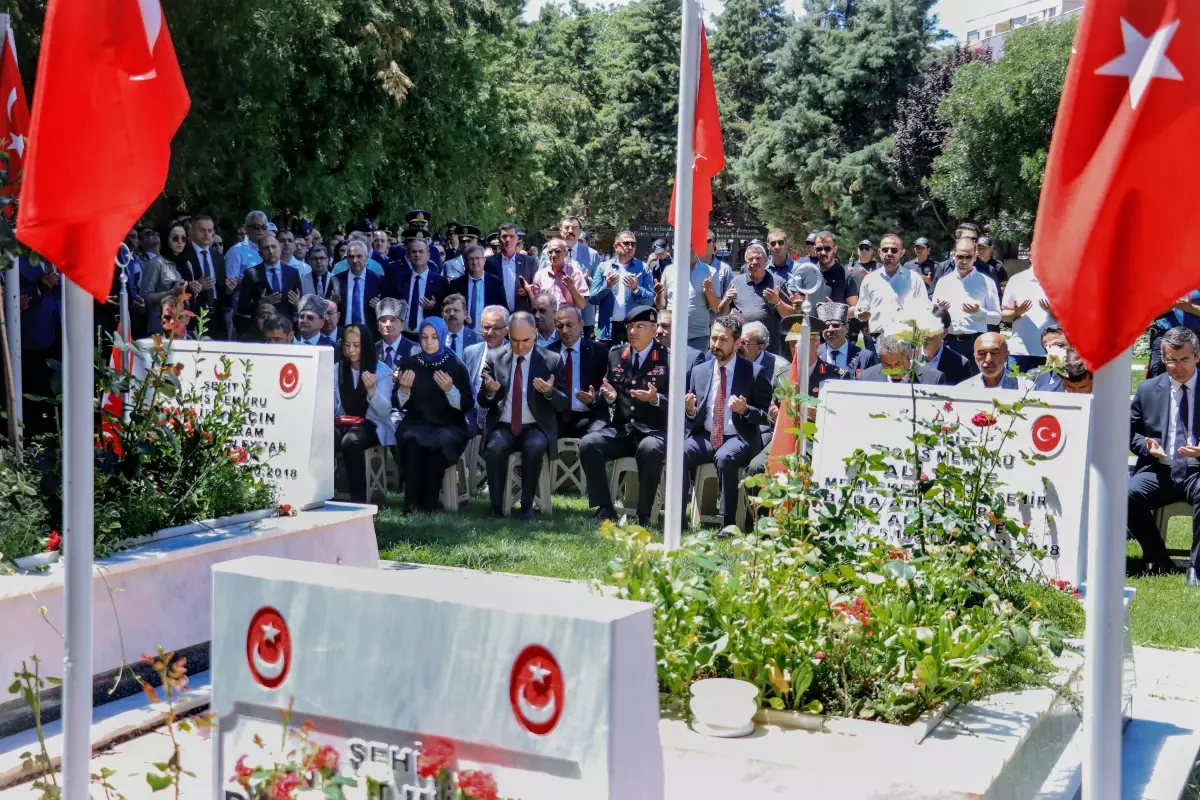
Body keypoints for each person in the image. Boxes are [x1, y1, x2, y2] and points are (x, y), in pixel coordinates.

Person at [579, 306, 671, 525]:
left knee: (649, 449)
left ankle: (644, 514)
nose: (633, 331)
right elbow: (607, 392)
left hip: (654, 431)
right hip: (623, 430)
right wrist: (606, 396)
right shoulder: (616, 354)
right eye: (630, 326)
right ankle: (605, 508)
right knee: (589, 443)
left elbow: (679, 403)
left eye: (640, 327)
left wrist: (656, 399)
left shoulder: (667, 358)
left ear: (653, 328)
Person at [682, 315, 773, 530]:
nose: (716, 345)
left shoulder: (753, 372)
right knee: (680, 452)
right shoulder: (700, 371)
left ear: (737, 342)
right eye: (713, 339)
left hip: (738, 436)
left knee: (725, 457)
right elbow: (694, 414)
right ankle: (678, 516)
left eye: (723, 340)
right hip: (706, 435)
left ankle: (728, 522)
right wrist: (690, 411)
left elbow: (766, 416)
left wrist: (745, 410)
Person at [477, 312, 567, 519]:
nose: (519, 346)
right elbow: (483, 400)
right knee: (496, 447)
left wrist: (548, 392)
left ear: (535, 333)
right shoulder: (495, 357)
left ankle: (527, 505)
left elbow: (563, 403)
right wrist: (490, 391)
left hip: (535, 427)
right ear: (508, 334)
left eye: (525, 340)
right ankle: (496, 507)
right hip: (503, 426)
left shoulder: (551, 360)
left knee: (534, 446)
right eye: (515, 340)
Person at [1128, 326, 1200, 583]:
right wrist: (1147, 447)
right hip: (1160, 469)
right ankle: (1158, 558)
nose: (1177, 367)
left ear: (1197, 357)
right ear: (1163, 357)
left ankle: (1196, 566)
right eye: (1171, 360)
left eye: (1184, 360)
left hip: (1197, 470)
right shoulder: (1147, 390)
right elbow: (1130, 432)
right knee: (1124, 496)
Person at [393, 317, 475, 512]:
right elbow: (397, 403)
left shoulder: (455, 364)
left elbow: (467, 404)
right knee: (410, 440)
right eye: (424, 337)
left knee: (440, 444)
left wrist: (450, 390)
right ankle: (412, 504)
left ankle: (430, 504)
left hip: (449, 425)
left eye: (434, 337)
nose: (429, 342)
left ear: (443, 337)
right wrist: (404, 389)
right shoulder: (410, 363)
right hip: (417, 422)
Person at [334, 324, 395, 503]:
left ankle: (358, 500)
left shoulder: (382, 371)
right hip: (342, 422)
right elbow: (333, 404)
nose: (351, 350)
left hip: (372, 424)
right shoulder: (337, 369)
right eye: (347, 345)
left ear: (366, 345)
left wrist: (372, 391)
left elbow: (384, 411)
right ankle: (325, 493)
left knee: (351, 442)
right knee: (325, 439)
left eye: (356, 345)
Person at [853, 234, 930, 352]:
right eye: (885, 250)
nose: (889, 253)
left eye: (894, 250)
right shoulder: (870, 279)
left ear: (902, 252)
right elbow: (860, 308)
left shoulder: (914, 279)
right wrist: (861, 313)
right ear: (879, 252)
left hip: (906, 343)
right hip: (877, 342)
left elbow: (924, 309)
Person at [932, 237, 1001, 362]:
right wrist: (939, 310)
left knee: (974, 381)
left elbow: (997, 319)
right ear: (953, 255)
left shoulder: (987, 282)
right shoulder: (943, 282)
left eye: (968, 257)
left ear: (975, 256)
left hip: (976, 343)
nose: (964, 261)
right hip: (949, 342)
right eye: (960, 257)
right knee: (947, 381)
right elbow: (931, 316)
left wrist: (979, 312)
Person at [548, 306, 610, 439]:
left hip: (589, 415)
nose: (565, 331)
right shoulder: (547, 353)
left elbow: (609, 386)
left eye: (570, 325)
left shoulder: (599, 352)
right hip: (556, 416)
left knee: (593, 441)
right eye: (560, 326)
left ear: (581, 325)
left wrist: (595, 398)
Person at [589, 230, 655, 348]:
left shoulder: (643, 268)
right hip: (608, 328)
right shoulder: (603, 267)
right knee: (608, 363)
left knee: (632, 363)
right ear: (616, 246)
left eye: (633, 244)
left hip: (634, 327)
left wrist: (636, 289)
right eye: (626, 243)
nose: (630, 247)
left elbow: (650, 300)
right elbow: (592, 298)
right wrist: (607, 287)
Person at [658, 248, 727, 352]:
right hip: (671, 335)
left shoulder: (710, 272)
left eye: (692, 245)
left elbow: (716, 308)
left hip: (697, 337)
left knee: (695, 368)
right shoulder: (669, 271)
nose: (688, 248)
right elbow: (661, 305)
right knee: (670, 367)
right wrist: (659, 293)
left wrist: (708, 291)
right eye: (686, 243)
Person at [719, 243, 782, 354]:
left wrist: (777, 302)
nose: (754, 262)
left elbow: (789, 314)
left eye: (758, 258)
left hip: (769, 347)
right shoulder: (736, 282)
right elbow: (723, 313)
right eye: (750, 259)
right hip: (742, 347)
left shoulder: (777, 282)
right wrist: (726, 301)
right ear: (746, 262)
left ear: (766, 260)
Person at [464, 306, 511, 438]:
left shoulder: (513, 354)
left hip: (499, 414)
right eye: (486, 327)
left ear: (506, 329)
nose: (490, 332)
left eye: (496, 328)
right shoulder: (470, 352)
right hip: (472, 411)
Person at [237, 235, 302, 328]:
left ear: (280, 248)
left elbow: (301, 305)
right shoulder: (251, 274)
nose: (271, 251)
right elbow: (242, 308)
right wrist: (260, 303)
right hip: (261, 330)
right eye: (266, 248)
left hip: (286, 328)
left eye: (273, 247)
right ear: (259, 253)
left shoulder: (293, 272)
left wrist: (297, 304)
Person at [1002, 263, 1057, 372]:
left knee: (1047, 389)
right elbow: (1004, 317)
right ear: (1030, 255)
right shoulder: (1016, 280)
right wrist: (1016, 313)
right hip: (1019, 352)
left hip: (1051, 353)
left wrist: (1053, 312)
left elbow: (1070, 319)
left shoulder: (1060, 281)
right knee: (1015, 387)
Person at [140, 224, 189, 335]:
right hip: (160, 327)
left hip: (181, 325)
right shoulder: (156, 263)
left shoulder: (186, 264)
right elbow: (146, 297)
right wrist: (171, 292)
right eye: (175, 238)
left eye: (184, 238)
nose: (180, 242)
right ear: (166, 239)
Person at [448, 244, 505, 332]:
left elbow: (503, 310)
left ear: (484, 260)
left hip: (489, 333)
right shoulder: (456, 285)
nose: (475, 262)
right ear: (465, 262)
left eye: (478, 258)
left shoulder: (496, 283)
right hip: (463, 332)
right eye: (471, 259)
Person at [485, 222, 538, 313]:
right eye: (504, 236)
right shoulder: (488, 262)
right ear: (499, 239)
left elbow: (537, 288)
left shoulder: (530, 262)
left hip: (522, 315)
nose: (508, 239)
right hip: (497, 315)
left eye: (512, 236)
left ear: (517, 239)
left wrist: (529, 291)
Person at [815, 302, 876, 377]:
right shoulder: (814, 354)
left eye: (835, 325)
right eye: (826, 326)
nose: (830, 329)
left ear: (846, 328)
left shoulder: (865, 357)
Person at [532, 237, 589, 316]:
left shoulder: (575, 273)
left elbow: (582, 304)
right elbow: (536, 304)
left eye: (557, 251)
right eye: (550, 252)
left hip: (568, 322)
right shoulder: (540, 275)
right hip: (547, 323)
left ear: (566, 254)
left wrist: (572, 288)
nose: (553, 254)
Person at [857, 333, 944, 384]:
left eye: (898, 364)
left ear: (910, 355)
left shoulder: (933, 379)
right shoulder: (866, 378)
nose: (893, 369)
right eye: (886, 364)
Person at [919, 306, 975, 385]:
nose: (926, 332)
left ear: (944, 332)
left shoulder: (960, 363)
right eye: (923, 327)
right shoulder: (907, 358)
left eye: (932, 328)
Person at [338, 241, 387, 331]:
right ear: (347, 259)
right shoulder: (337, 279)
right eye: (351, 257)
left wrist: (380, 307)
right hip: (344, 332)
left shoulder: (379, 280)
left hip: (370, 333)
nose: (355, 260)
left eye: (359, 256)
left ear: (367, 258)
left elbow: (387, 310)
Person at [655, 310, 707, 389]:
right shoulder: (646, 354)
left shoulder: (693, 357)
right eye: (656, 326)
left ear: (678, 327)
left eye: (665, 326)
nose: (658, 331)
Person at [959, 332, 1027, 389]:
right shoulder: (964, 389)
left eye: (994, 353)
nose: (988, 359)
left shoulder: (1025, 388)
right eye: (982, 353)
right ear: (975, 357)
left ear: (1006, 356)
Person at [739, 321, 790, 388]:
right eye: (738, 341)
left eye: (744, 343)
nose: (739, 346)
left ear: (760, 347)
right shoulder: (733, 362)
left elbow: (786, 397)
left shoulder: (781, 367)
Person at [375, 298, 414, 369]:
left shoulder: (414, 350)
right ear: (378, 326)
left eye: (393, 320)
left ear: (402, 325)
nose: (388, 324)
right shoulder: (372, 350)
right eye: (383, 320)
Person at [442, 293, 481, 360]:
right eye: (447, 311)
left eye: (456, 310)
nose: (452, 313)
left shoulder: (478, 339)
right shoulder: (435, 338)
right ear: (442, 315)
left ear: (465, 314)